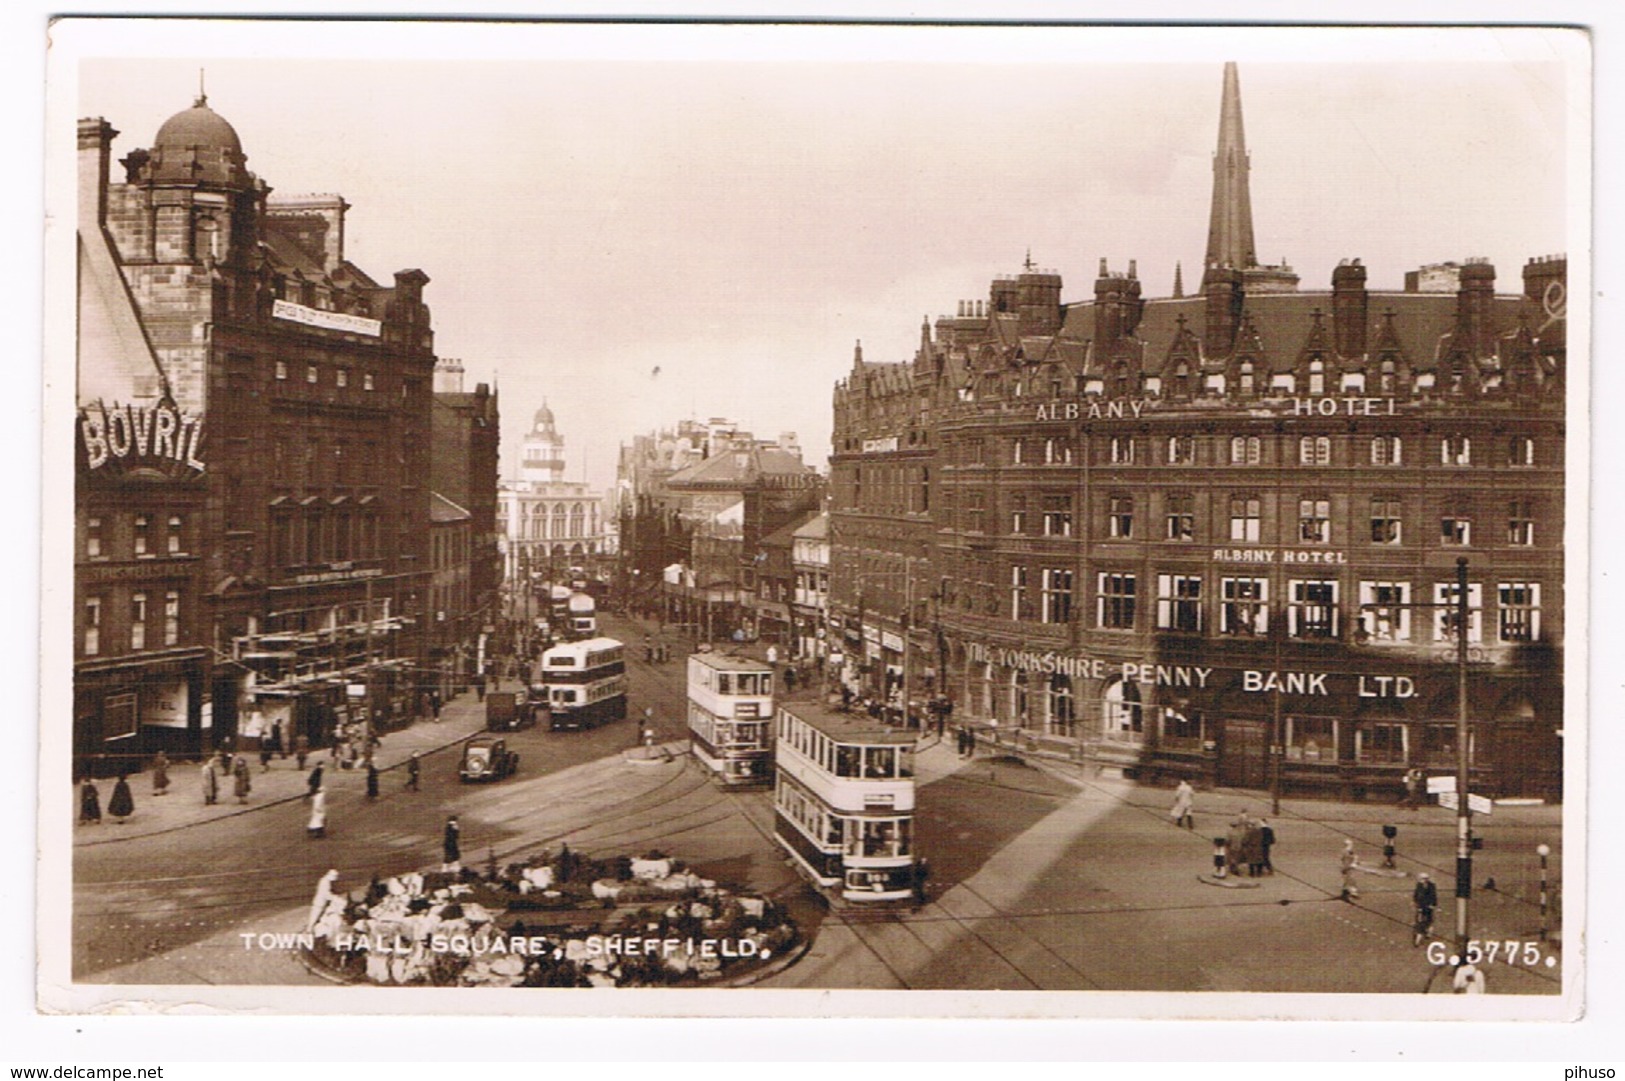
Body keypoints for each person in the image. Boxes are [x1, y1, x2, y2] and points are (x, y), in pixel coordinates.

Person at [1412, 871, 1439, 946]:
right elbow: (1416, 895)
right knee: (1420, 921)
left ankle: (1428, 932)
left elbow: (1433, 896)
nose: (1423, 880)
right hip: (1421, 906)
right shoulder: (1419, 885)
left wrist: (1433, 905)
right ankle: (1420, 937)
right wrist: (1416, 903)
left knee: (1428, 920)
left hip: (1428, 906)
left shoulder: (1431, 886)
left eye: (1424, 879)